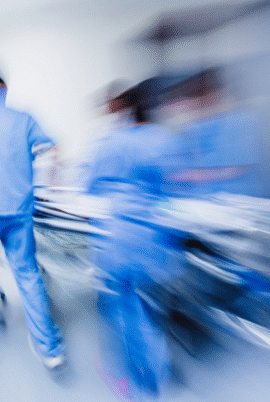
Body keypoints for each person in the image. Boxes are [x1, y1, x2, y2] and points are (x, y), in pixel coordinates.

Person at [0, 73, 66, 371]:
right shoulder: (23, 117)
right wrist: (50, 182)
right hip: (18, 211)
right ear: (3, 89)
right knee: (28, 276)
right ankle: (50, 349)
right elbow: (55, 148)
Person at [87, 83, 178, 399]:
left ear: (123, 109)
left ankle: (140, 385)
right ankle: (158, 372)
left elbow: (90, 187)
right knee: (146, 306)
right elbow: (173, 188)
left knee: (124, 308)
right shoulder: (163, 139)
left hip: (120, 241)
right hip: (155, 240)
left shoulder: (110, 142)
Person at [163, 67, 268, 198]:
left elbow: (239, 168)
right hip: (209, 199)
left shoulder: (242, 120)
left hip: (243, 198)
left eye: (200, 96)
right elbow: (185, 158)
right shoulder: (197, 125)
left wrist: (194, 176)